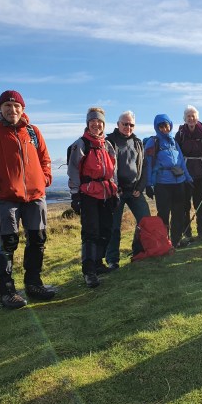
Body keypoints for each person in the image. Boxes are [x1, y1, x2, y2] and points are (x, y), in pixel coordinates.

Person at [0, 90, 55, 309]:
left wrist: (44, 178)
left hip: (35, 197)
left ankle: (33, 284)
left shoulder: (32, 131)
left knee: (37, 239)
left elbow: (45, 158)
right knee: (7, 243)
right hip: (6, 198)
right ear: (1, 108)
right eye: (7, 106)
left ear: (22, 109)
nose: (12, 110)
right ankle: (6, 291)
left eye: (16, 106)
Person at [68, 107, 118, 288]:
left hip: (106, 193)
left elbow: (114, 170)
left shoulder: (108, 145)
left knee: (105, 229)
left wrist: (115, 192)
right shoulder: (81, 144)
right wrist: (75, 195)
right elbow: (73, 170)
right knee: (91, 232)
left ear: (104, 124)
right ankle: (88, 271)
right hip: (88, 194)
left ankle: (98, 263)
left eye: (99, 122)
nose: (96, 124)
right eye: (93, 121)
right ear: (88, 123)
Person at [105, 111, 150, 270]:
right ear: (118, 124)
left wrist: (140, 187)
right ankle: (112, 260)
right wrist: (115, 188)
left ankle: (138, 252)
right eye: (125, 124)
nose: (128, 127)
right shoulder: (109, 141)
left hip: (134, 190)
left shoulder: (137, 142)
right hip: (116, 192)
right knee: (114, 226)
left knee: (145, 220)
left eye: (131, 125)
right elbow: (106, 168)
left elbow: (144, 166)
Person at [145, 114, 193, 248]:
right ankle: (163, 243)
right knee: (163, 214)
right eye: (161, 126)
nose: (164, 129)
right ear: (157, 127)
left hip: (179, 182)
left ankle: (176, 241)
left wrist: (188, 178)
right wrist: (148, 184)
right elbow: (148, 164)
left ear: (170, 125)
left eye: (166, 125)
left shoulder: (174, 142)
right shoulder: (153, 142)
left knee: (179, 213)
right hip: (162, 184)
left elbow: (181, 162)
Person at [175, 106, 202, 242]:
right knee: (185, 205)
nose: (191, 118)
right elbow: (177, 154)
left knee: (201, 205)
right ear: (184, 118)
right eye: (188, 116)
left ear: (197, 117)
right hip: (185, 175)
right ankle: (187, 234)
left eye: (193, 116)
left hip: (201, 174)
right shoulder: (180, 134)